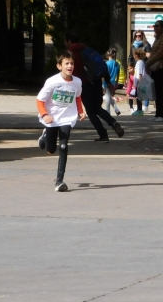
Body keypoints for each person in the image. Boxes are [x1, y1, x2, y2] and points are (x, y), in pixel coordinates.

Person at [36, 52, 87, 192]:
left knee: (63, 147)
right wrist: (45, 115)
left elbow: (77, 97)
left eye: (72, 63)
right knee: (51, 150)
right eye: (67, 63)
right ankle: (45, 134)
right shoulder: (52, 82)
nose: (70, 66)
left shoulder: (77, 82)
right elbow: (40, 100)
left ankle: (59, 181)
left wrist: (81, 111)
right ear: (59, 66)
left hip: (67, 118)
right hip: (51, 118)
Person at [65, 31, 124, 142]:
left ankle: (103, 134)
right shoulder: (87, 49)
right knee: (97, 108)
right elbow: (101, 65)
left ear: (68, 40)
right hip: (96, 82)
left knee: (91, 112)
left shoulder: (71, 53)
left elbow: (73, 72)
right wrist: (107, 82)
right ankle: (113, 123)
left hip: (84, 84)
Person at [145, 20, 163, 122]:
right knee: (156, 89)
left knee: (159, 90)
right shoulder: (158, 38)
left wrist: (148, 63)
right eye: (154, 26)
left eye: (157, 26)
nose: (155, 28)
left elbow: (160, 53)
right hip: (156, 67)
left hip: (162, 66)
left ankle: (161, 114)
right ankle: (157, 114)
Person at [103, 48, 121, 117]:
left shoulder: (107, 63)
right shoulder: (117, 64)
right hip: (113, 81)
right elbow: (118, 74)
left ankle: (107, 111)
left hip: (106, 81)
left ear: (108, 55)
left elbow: (104, 73)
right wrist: (117, 81)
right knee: (109, 96)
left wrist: (102, 81)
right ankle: (116, 109)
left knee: (107, 96)